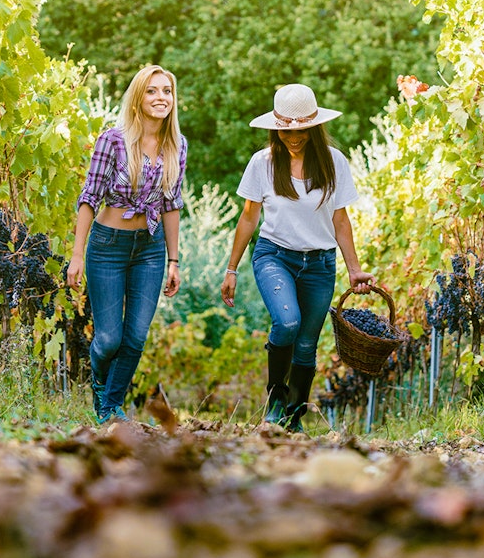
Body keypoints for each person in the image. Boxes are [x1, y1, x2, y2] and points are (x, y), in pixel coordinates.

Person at [220, 83, 375, 433]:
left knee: (306, 345)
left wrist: (354, 269)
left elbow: (340, 220)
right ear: (275, 128)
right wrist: (231, 268)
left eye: (301, 129)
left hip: (320, 265)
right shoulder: (262, 163)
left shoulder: (334, 163)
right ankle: (275, 400)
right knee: (287, 323)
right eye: (286, 130)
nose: (294, 137)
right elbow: (248, 217)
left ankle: (294, 418)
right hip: (275, 256)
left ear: (314, 126)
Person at [67, 65, 186, 423]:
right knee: (108, 340)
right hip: (108, 246)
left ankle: (110, 407)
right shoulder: (113, 140)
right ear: (138, 98)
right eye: (152, 91)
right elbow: (89, 198)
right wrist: (77, 255)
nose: (160, 97)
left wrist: (174, 260)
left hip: (149, 249)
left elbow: (171, 204)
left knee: (135, 337)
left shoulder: (177, 145)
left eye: (166, 91)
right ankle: (101, 387)